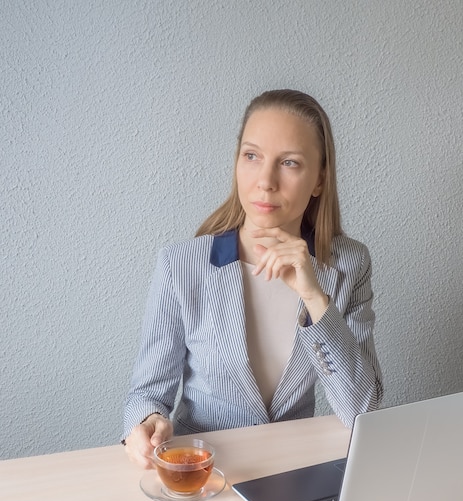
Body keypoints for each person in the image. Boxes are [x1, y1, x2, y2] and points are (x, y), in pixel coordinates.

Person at [123, 89, 383, 469]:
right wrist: (147, 422)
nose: (265, 181)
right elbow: (146, 395)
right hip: (205, 474)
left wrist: (315, 298)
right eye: (252, 156)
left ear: (319, 179)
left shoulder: (348, 265)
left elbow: (363, 410)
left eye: (290, 163)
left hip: (296, 475)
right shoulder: (181, 265)